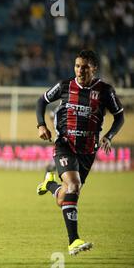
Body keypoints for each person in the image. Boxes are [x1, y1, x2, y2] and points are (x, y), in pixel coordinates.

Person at [36, 50, 124, 255]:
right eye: (77, 66)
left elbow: (120, 117)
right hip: (64, 144)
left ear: (93, 68)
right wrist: (41, 125)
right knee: (74, 185)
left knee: (64, 198)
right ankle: (73, 241)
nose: (79, 70)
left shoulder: (105, 91)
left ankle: (49, 184)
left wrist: (108, 136)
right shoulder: (65, 85)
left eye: (84, 67)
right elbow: (41, 101)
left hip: (87, 151)